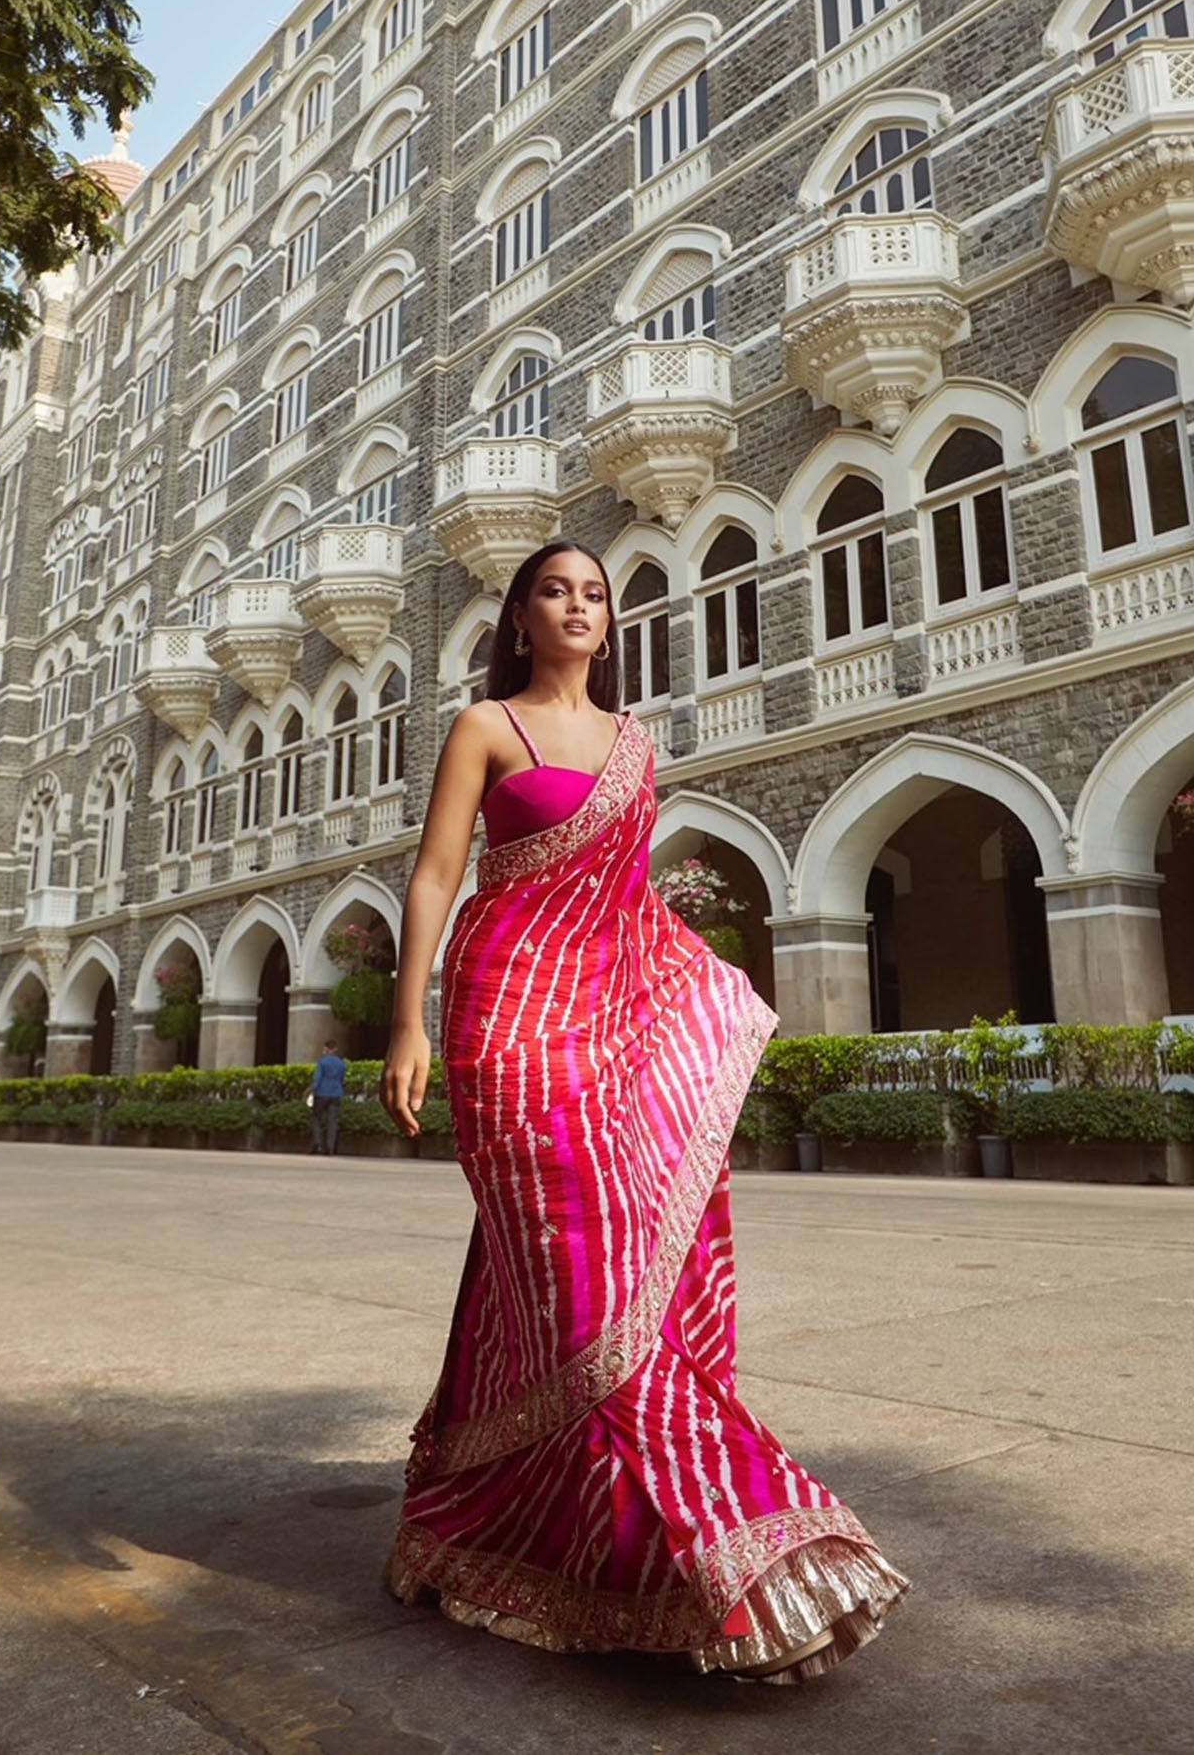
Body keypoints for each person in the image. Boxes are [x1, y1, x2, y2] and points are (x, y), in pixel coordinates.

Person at [379, 540, 908, 1681]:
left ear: (608, 623)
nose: (576, 607)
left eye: (594, 596)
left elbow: (626, 910)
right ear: (518, 617)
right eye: (554, 592)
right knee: (567, 1277)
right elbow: (434, 874)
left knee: (602, 1276)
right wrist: (408, 1021)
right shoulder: (484, 728)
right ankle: (704, 1539)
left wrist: (705, 1005)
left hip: (603, 1030)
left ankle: (539, 1528)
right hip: (503, 1025)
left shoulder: (634, 746)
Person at [310, 1036, 346, 1157]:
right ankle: (331, 1147)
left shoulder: (322, 1062)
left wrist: (313, 1090)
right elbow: (342, 1079)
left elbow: (317, 1078)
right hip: (336, 1093)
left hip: (322, 1093)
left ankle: (317, 1144)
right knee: (332, 1121)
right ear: (335, 1049)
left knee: (317, 1119)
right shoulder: (341, 1063)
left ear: (326, 1048)